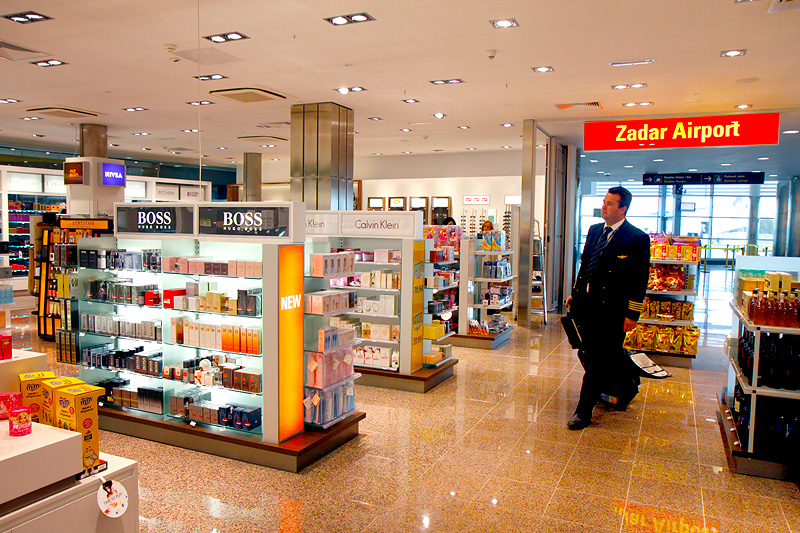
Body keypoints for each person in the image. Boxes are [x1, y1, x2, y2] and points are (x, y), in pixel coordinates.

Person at [565, 186, 650, 430]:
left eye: (610, 203)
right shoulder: (595, 231)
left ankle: (583, 411)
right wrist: (575, 293)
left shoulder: (636, 238)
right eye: (604, 202)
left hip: (613, 311)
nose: (604, 207)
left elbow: (639, 279)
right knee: (588, 353)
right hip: (588, 305)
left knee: (598, 359)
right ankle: (626, 386)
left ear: (623, 209)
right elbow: (586, 266)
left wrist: (632, 314)